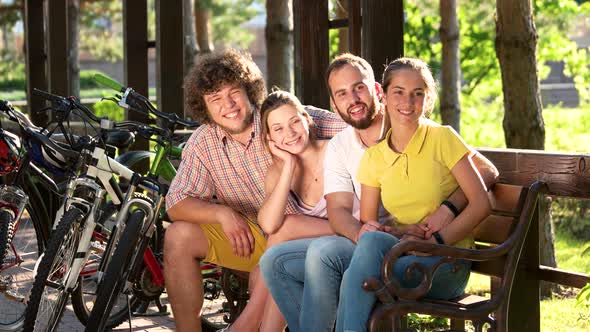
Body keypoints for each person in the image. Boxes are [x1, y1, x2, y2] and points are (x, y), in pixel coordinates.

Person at [260, 53, 499, 332]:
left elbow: (487, 176)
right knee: (277, 261)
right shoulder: (367, 153)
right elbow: (348, 216)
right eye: (342, 93)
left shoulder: (433, 134)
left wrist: (446, 212)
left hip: (435, 256)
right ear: (334, 104)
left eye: (358, 88)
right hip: (391, 245)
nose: (353, 99)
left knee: (345, 266)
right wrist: (381, 233)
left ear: (376, 91)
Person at [164, 49, 346, 332]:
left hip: (301, 234)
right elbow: (175, 203)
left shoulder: (283, 120)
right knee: (178, 235)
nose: (229, 105)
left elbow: (359, 128)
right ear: (204, 107)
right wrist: (223, 214)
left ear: (249, 90)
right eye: (216, 99)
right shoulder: (204, 142)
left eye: (233, 93)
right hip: (248, 238)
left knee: (268, 264)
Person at [335, 57, 492, 332]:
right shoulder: (373, 157)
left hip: (447, 263)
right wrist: (405, 234)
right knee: (368, 245)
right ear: (383, 95)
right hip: (406, 256)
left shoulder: (443, 138)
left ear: (426, 97)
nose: (408, 102)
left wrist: (436, 241)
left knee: (357, 278)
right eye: (399, 92)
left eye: (417, 93)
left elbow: (481, 204)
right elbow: (371, 227)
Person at [257, 90, 336, 330]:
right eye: (278, 129)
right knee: (279, 260)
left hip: (355, 235)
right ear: (269, 137)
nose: (289, 133)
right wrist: (289, 165)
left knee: (287, 227)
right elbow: (268, 224)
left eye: (294, 122)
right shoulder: (277, 171)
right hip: (322, 251)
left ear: (307, 120)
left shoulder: (335, 150)